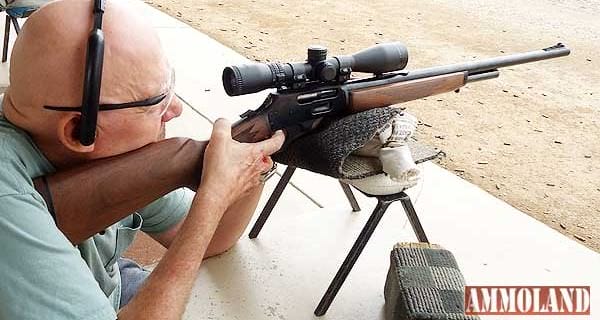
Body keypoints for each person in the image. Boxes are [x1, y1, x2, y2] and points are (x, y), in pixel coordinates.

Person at [0, 0, 284, 319]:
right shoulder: (7, 197)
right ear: (78, 129)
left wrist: (257, 153)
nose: (176, 109)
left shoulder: (114, 155)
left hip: (106, 284)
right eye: (155, 102)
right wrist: (213, 197)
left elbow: (215, 240)